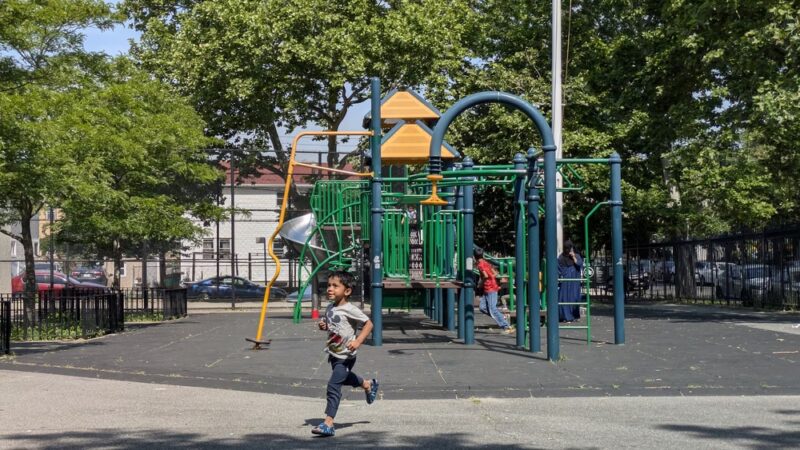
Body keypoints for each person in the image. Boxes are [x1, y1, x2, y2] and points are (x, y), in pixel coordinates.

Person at [312, 270, 379, 437]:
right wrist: (324, 326)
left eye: (335, 286)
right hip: (334, 354)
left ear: (347, 291)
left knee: (333, 385)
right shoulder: (330, 307)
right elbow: (334, 326)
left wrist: (358, 341)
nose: (330, 289)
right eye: (329, 285)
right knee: (344, 378)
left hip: (346, 356)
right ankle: (367, 384)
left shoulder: (350, 309)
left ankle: (328, 424)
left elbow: (369, 324)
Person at [475, 247, 515, 334]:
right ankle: (501, 317)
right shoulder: (486, 262)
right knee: (482, 307)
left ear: (475, 256)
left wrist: (480, 283)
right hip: (489, 287)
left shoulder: (480, 265)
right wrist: (492, 278)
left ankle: (506, 326)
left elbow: (485, 276)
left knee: (492, 309)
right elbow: (495, 273)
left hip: (490, 288)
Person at [558, 240, 583, 322]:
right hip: (566, 280)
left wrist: (573, 257)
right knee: (564, 298)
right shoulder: (561, 257)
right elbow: (559, 269)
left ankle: (574, 315)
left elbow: (579, 264)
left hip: (574, 280)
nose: (567, 250)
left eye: (569, 248)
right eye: (566, 248)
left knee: (574, 297)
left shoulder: (576, 256)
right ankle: (565, 316)